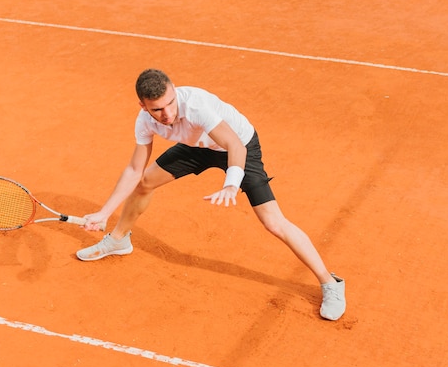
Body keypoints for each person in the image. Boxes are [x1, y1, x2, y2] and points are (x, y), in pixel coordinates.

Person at [78, 68, 346, 320]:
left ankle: (329, 282)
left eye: (171, 103)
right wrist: (103, 212)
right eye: (157, 109)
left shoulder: (195, 106)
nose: (167, 114)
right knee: (145, 182)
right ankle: (118, 240)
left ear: (174, 90)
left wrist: (232, 184)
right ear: (143, 106)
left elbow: (234, 146)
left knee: (273, 223)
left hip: (237, 144)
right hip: (196, 147)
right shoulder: (144, 122)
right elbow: (135, 169)